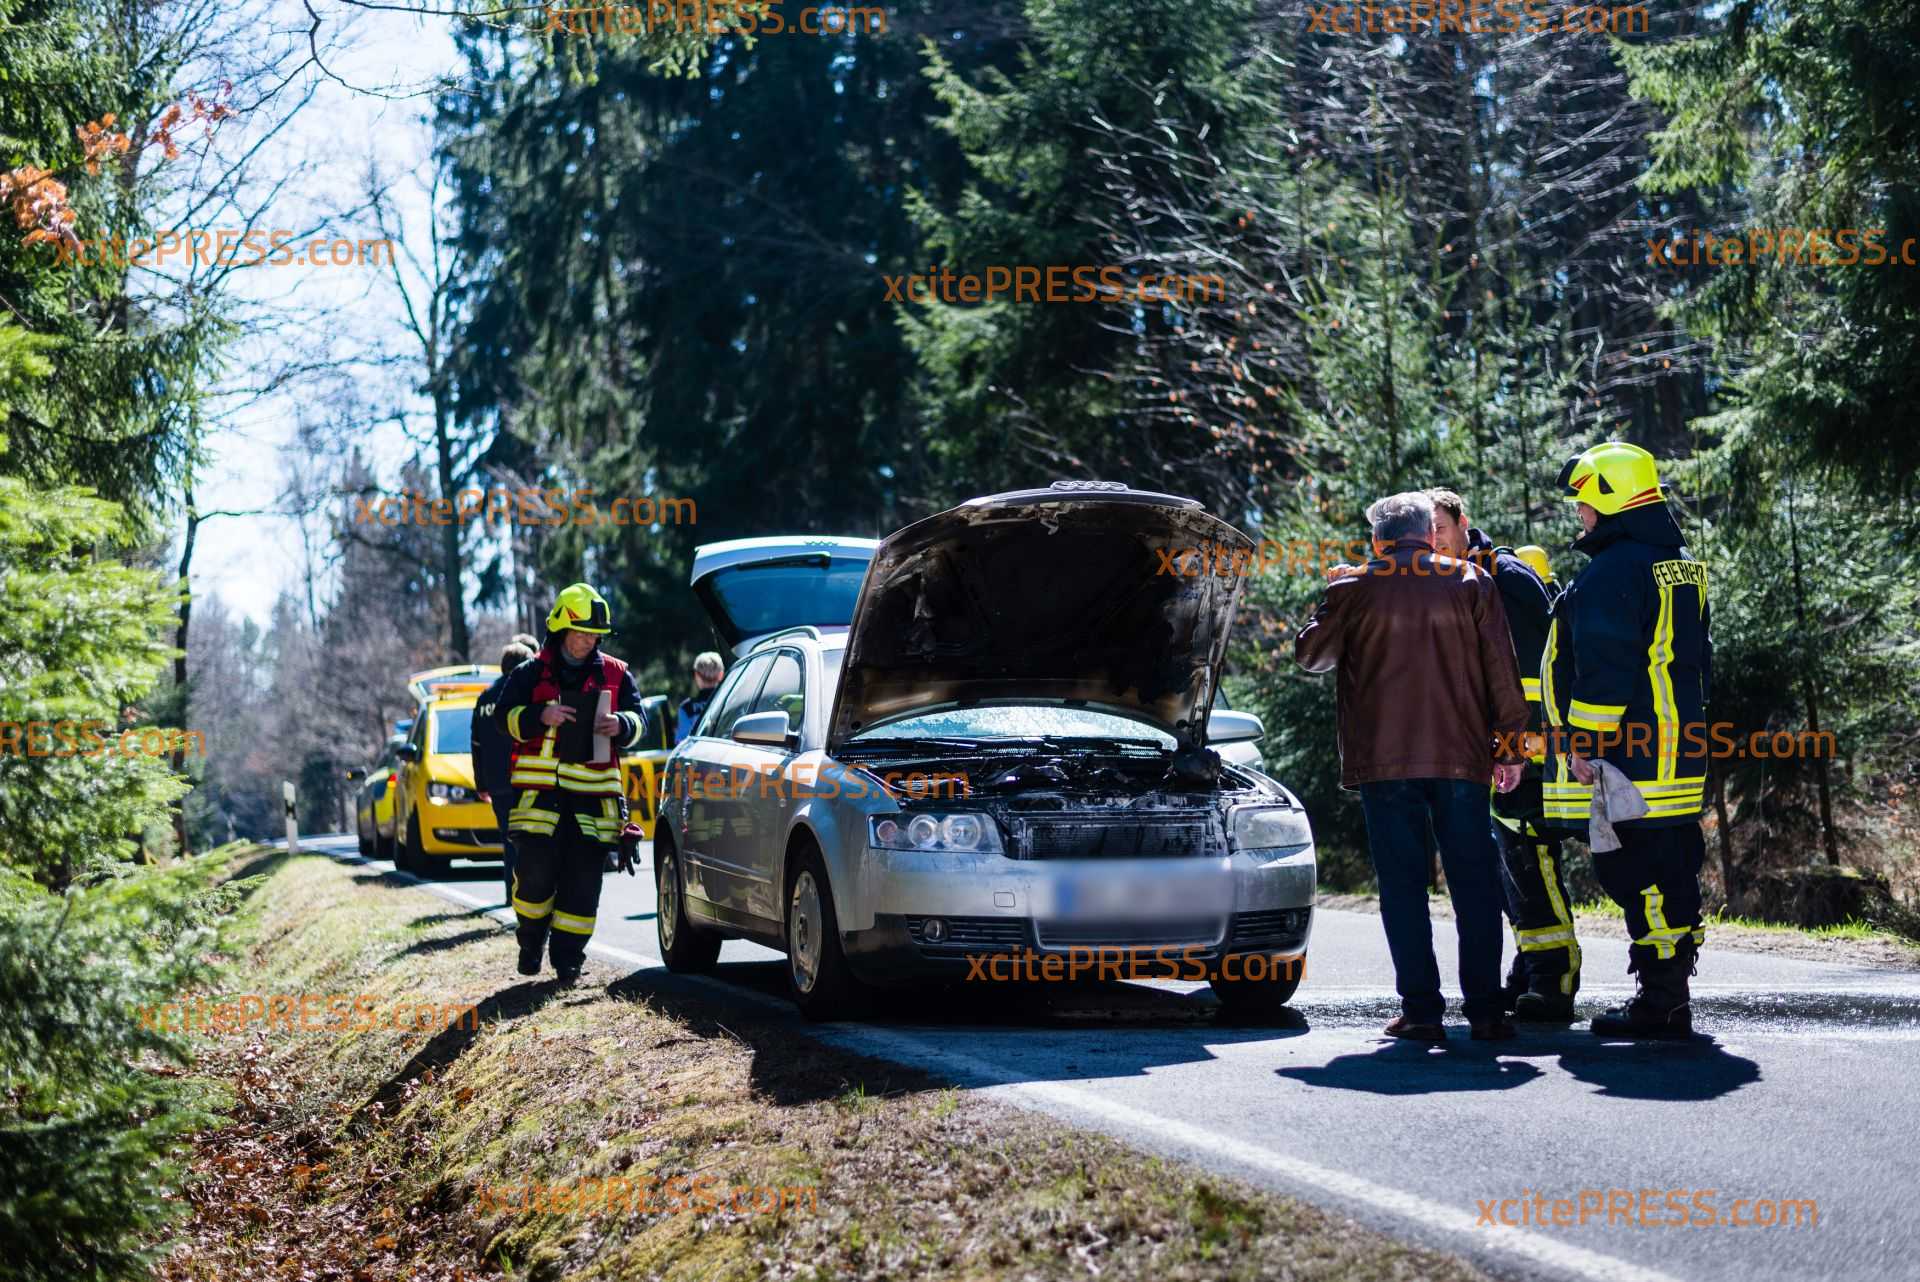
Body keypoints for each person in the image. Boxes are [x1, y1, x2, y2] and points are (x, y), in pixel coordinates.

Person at [1295, 491, 1531, 1041]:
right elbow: (1502, 670)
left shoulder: (1355, 587)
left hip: (1386, 762)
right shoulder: (1472, 581)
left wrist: (1333, 591)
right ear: (1429, 534)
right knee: (1474, 885)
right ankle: (1488, 1012)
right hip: (1463, 758)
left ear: (1379, 539)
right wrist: (1512, 749)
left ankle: (1422, 1012)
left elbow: (1311, 656)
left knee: (1403, 889)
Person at [1544, 443, 1711, 1039]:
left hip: (1638, 755)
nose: (1580, 516)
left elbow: (1606, 670)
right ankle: (1670, 993)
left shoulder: (1613, 571)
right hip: (1682, 746)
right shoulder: (1681, 562)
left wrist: (1583, 744)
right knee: (1674, 868)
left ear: (1610, 499)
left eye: (1585, 503)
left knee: (1640, 872)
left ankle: (1661, 1003)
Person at [1427, 492, 1580, 1022]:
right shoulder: (1451, 580)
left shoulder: (1506, 579)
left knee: (1528, 860)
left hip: (1526, 755)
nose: (1433, 538)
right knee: (1511, 864)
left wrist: (1514, 751)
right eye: (1423, 531)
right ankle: (1529, 969)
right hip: (1489, 756)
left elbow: (1535, 682)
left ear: (1464, 524)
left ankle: (1553, 979)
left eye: (1440, 527)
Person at [492, 584, 650, 984]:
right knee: (535, 880)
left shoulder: (616, 673)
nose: (589, 641)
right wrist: (538, 716)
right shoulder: (529, 674)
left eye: (596, 635)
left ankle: (569, 960)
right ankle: (530, 942)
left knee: (583, 889)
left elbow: (640, 719)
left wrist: (622, 724)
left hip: (593, 803)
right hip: (539, 801)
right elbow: (502, 719)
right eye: (582, 633)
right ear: (561, 628)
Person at [472, 634, 539, 905]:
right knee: (532, 838)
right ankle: (531, 896)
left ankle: (511, 895)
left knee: (509, 839)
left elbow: (476, 744)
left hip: (497, 783)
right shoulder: (527, 695)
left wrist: (481, 784)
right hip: (527, 776)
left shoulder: (484, 698)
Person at [673, 651, 725, 743]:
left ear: (696, 675)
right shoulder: (730, 702)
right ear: (721, 675)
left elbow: (682, 742)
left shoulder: (686, 708)